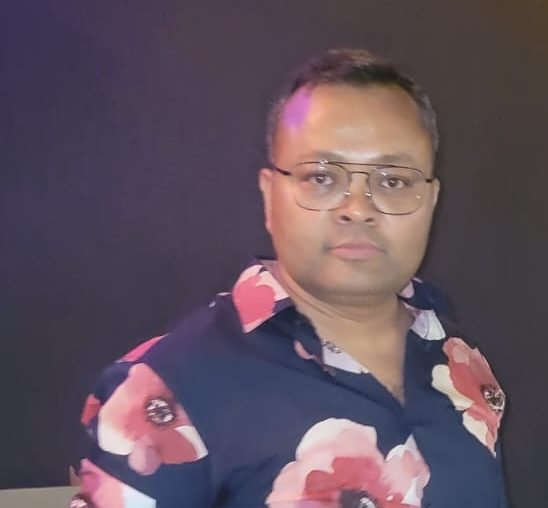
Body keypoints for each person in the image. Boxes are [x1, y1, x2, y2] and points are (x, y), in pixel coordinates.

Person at [72, 48, 509, 508]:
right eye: (321, 177)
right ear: (269, 195)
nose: (357, 209)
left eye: (393, 181)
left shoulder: (456, 355)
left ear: (431, 201)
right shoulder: (166, 389)